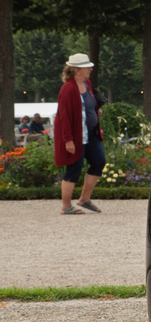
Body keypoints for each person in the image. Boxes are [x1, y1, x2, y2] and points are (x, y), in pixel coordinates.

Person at [54, 53, 105, 214]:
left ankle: (84, 199)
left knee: (99, 161)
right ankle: (66, 206)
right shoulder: (67, 89)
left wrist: (96, 110)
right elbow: (64, 116)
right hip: (76, 136)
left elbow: (88, 105)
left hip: (91, 133)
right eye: (87, 67)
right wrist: (68, 140)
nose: (90, 69)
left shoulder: (87, 84)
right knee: (74, 167)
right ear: (77, 70)